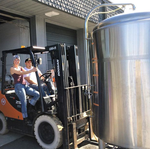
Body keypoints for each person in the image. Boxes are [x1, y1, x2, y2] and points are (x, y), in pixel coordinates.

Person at [10, 55, 40, 122]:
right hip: (18, 86)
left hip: (24, 85)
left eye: (18, 60)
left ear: (19, 61)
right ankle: (25, 118)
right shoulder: (12, 68)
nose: (17, 61)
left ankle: (30, 107)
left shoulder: (21, 67)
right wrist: (32, 70)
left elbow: (27, 70)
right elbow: (22, 73)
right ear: (13, 61)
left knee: (37, 94)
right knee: (24, 101)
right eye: (15, 60)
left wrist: (35, 67)